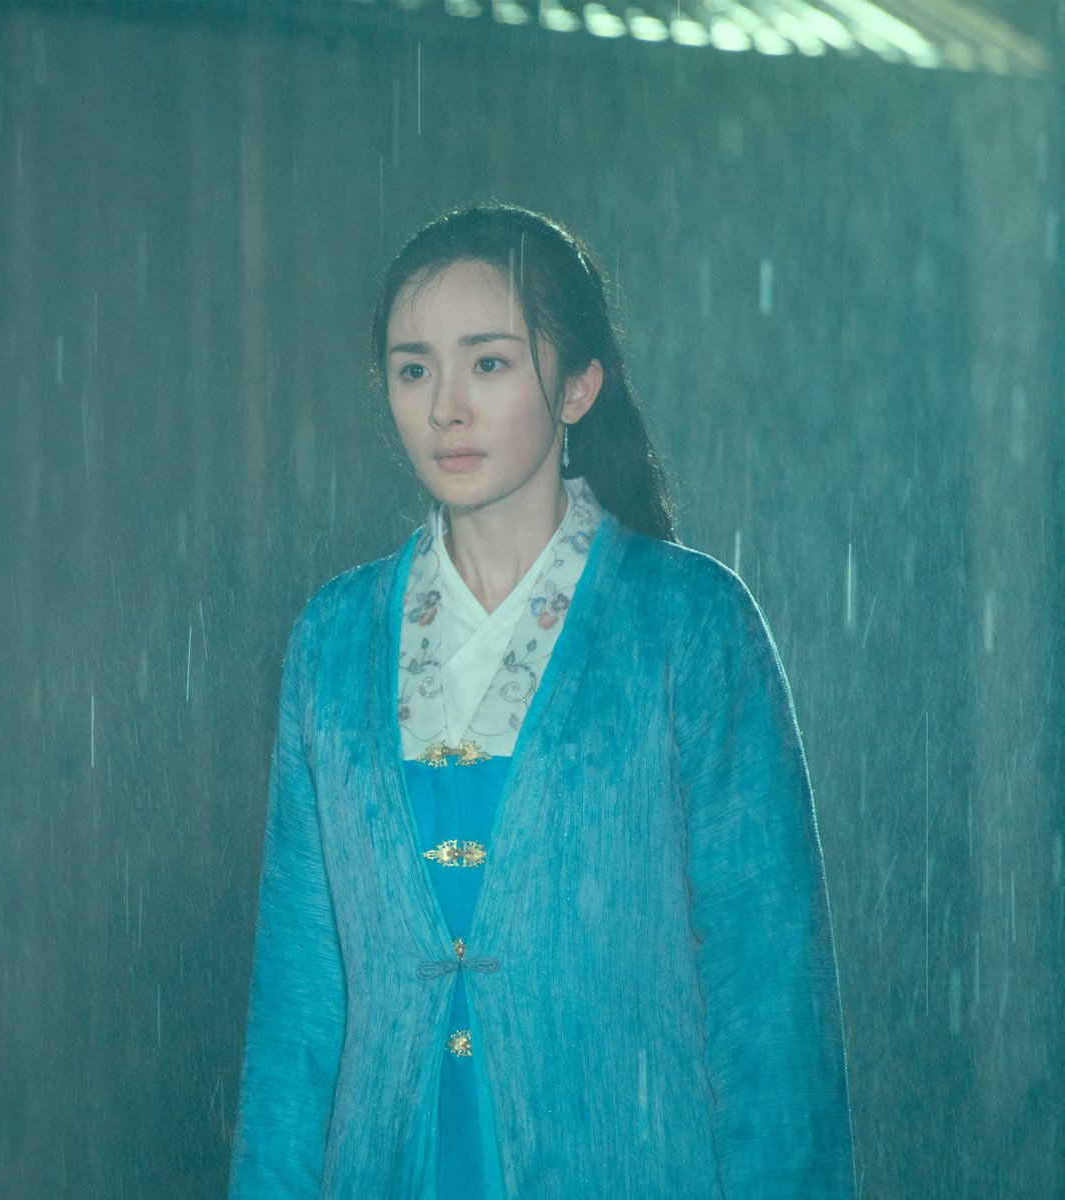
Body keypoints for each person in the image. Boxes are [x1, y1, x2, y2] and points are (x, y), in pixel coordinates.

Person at [226, 203, 853, 1198]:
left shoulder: (690, 624)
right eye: (413, 369)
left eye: (488, 362)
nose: (446, 408)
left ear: (577, 385)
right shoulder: (333, 641)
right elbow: (298, 1014)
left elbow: (769, 1001)